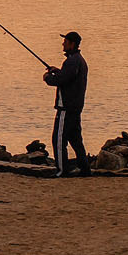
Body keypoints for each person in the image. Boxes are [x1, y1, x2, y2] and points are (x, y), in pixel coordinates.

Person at [42, 31, 89, 176]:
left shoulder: (73, 61)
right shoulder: (77, 60)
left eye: (65, 41)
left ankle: (62, 171)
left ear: (72, 44)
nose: (63, 44)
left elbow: (62, 80)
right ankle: (85, 170)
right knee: (75, 140)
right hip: (75, 107)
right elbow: (68, 76)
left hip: (67, 108)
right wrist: (58, 71)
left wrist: (47, 77)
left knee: (58, 139)